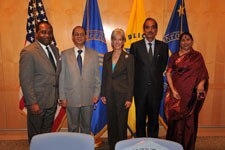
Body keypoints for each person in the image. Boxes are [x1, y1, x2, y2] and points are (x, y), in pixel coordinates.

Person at [165, 32, 209, 150]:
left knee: (190, 122)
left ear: (192, 41)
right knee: (176, 122)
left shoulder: (197, 56)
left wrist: (201, 85)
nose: (185, 42)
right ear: (180, 43)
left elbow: (203, 74)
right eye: (183, 40)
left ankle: (188, 146)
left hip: (192, 95)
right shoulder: (174, 57)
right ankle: (174, 146)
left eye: (188, 39)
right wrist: (173, 91)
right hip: (177, 94)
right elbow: (168, 73)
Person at [19, 21, 61, 143]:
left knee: (47, 133)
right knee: (36, 135)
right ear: (36, 34)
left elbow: (56, 74)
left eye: (49, 32)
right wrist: (32, 102)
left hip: (52, 100)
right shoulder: (28, 52)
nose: (47, 35)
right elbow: (25, 80)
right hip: (38, 102)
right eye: (43, 32)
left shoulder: (55, 50)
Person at [130, 18, 168, 138]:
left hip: (155, 90)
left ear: (156, 30)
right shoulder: (135, 46)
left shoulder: (163, 46)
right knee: (140, 120)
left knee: (153, 121)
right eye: (147, 27)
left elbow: (162, 66)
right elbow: (132, 68)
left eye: (153, 27)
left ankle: (153, 143)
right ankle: (140, 143)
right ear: (144, 30)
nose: (150, 30)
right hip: (140, 90)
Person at [59, 26, 100, 134]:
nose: (79, 36)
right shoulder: (64, 54)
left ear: (85, 37)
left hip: (89, 97)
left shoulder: (94, 54)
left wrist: (96, 93)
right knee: (72, 128)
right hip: (71, 98)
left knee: (86, 128)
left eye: (82, 34)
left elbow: (97, 77)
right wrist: (62, 97)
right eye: (76, 34)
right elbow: (61, 77)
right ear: (73, 37)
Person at [101, 28, 134, 150]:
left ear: (124, 41)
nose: (117, 42)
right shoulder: (107, 56)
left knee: (121, 124)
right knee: (112, 123)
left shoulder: (128, 57)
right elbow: (104, 75)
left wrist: (129, 98)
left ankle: (121, 147)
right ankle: (112, 146)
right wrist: (103, 93)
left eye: (120, 39)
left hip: (122, 96)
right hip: (109, 95)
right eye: (115, 39)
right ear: (112, 41)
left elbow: (131, 80)